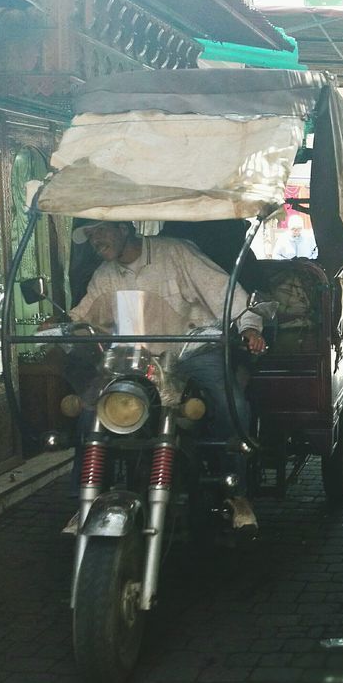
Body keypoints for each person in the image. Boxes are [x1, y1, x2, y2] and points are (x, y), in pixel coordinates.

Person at [69, 220, 267, 533]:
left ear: (124, 228)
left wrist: (249, 326)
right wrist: (64, 327)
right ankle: (84, 500)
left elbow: (226, 293)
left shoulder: (175, 253)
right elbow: (83, 317)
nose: (96, 239)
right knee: (90, 411)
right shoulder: (104, 275)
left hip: (190, 353)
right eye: (91, 234)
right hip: (134, 361)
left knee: (233, 405)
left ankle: (236, 493)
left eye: (102, 230)